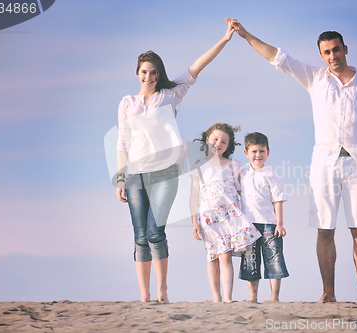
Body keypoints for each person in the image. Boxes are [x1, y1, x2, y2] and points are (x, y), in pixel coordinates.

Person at [228, 18, 357, 303]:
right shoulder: (314, 77)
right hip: (324, 163)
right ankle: (329, 292)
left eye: (336, 50)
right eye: (327, 52)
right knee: (325, 228)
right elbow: (277, 57)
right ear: (321, 55)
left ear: (345, 49)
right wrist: (244, 35)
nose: (333, 56)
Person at [115, 22, 235, 303]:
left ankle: (162, 290)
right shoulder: (127, 103)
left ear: (159, 74)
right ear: (137, 73)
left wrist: (225, 39)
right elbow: (122, 143)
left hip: (164, 173)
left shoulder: (169, 95)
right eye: (144, 72)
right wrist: (120, 178)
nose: (149, 76)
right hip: (134, 175)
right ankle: (144, 294)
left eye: (153, 72)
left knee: (156, 232)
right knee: (140, 235)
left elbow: (196, 67)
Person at [190, 123, 261, 303]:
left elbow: (243, 192)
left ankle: (228, 298)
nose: (218, 144)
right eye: (215, 139)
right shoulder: (199, 166)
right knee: (212, 257)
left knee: (226, 255)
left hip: (230, 216)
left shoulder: (234, 165)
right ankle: (216, 297)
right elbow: (193, 195)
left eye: (223, 141)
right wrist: (194, 222)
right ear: (207, 140)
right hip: (208, 218)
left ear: (228, 145)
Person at [239, 132, 289, 302]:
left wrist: (279, 224)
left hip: (269, 224)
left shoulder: (272, 175)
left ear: (268, 152)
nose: (258, 155)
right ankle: (253, 298)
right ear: (246, 153)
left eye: (262, 151)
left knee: (273, 259)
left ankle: (274, 297)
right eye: (254, 151)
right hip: (248, 225)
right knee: (251, 262)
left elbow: (278, 201)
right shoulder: (242, 174)